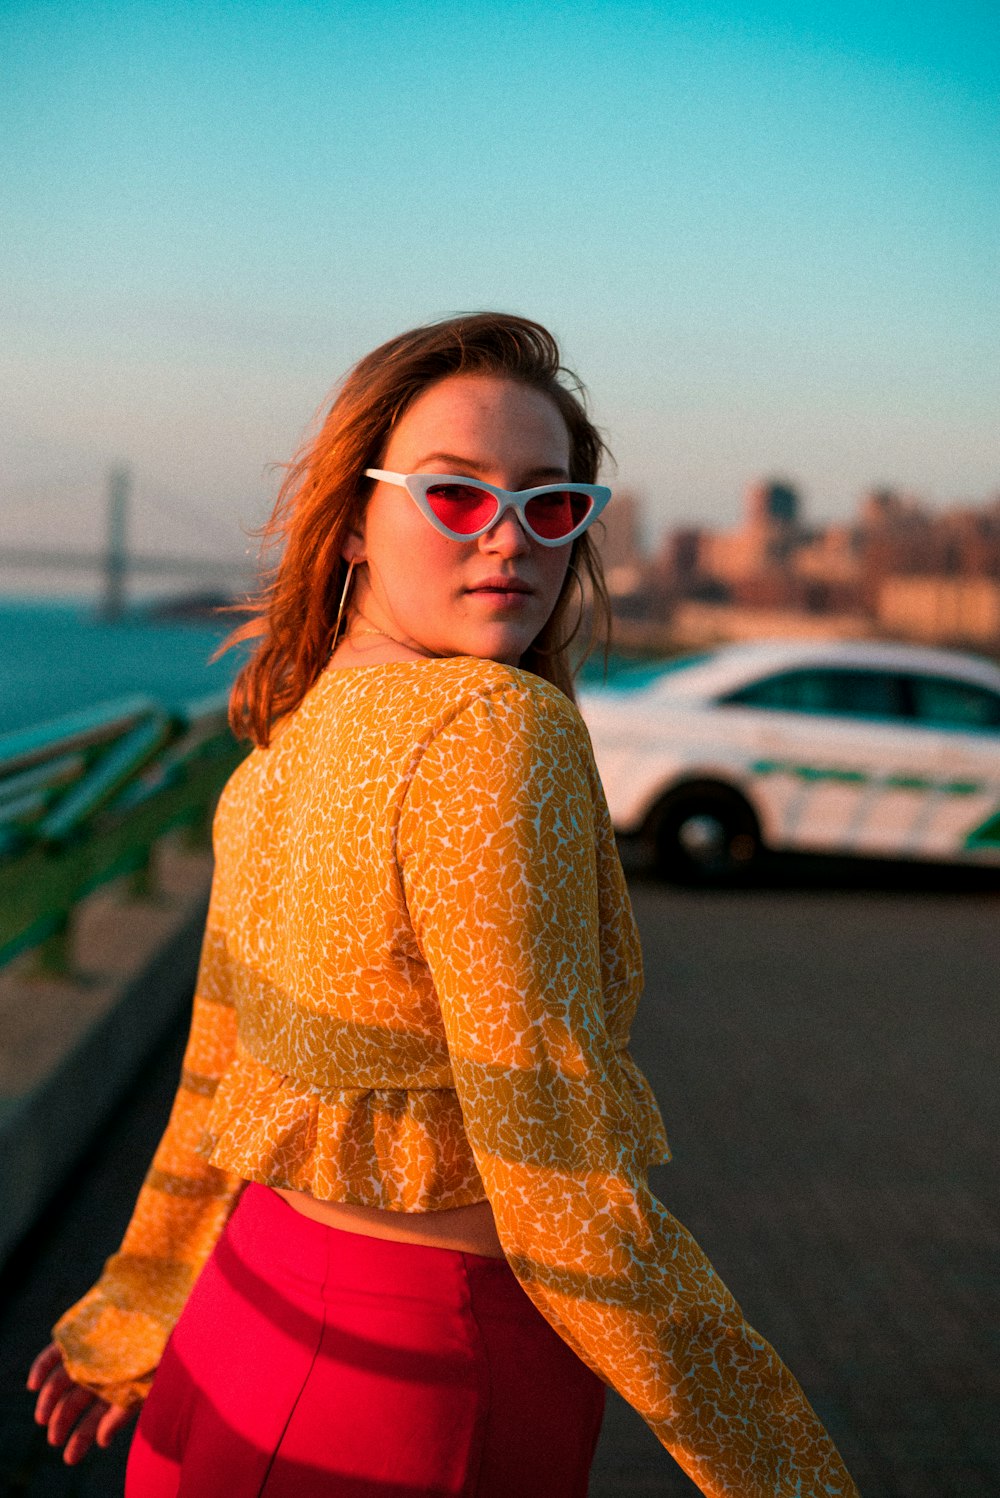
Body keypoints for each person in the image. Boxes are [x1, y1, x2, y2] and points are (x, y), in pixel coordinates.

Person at [28, 312, 859, 1497]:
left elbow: (213, 1085)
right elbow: (558, 1183)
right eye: (455, 496)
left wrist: (132, 1313)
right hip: (418, 1390)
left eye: (550, 505)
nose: (509, 541)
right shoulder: (490, 728)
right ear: (356, 517)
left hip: (232, 1346)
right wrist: (783, 1473)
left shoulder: (275, 759)